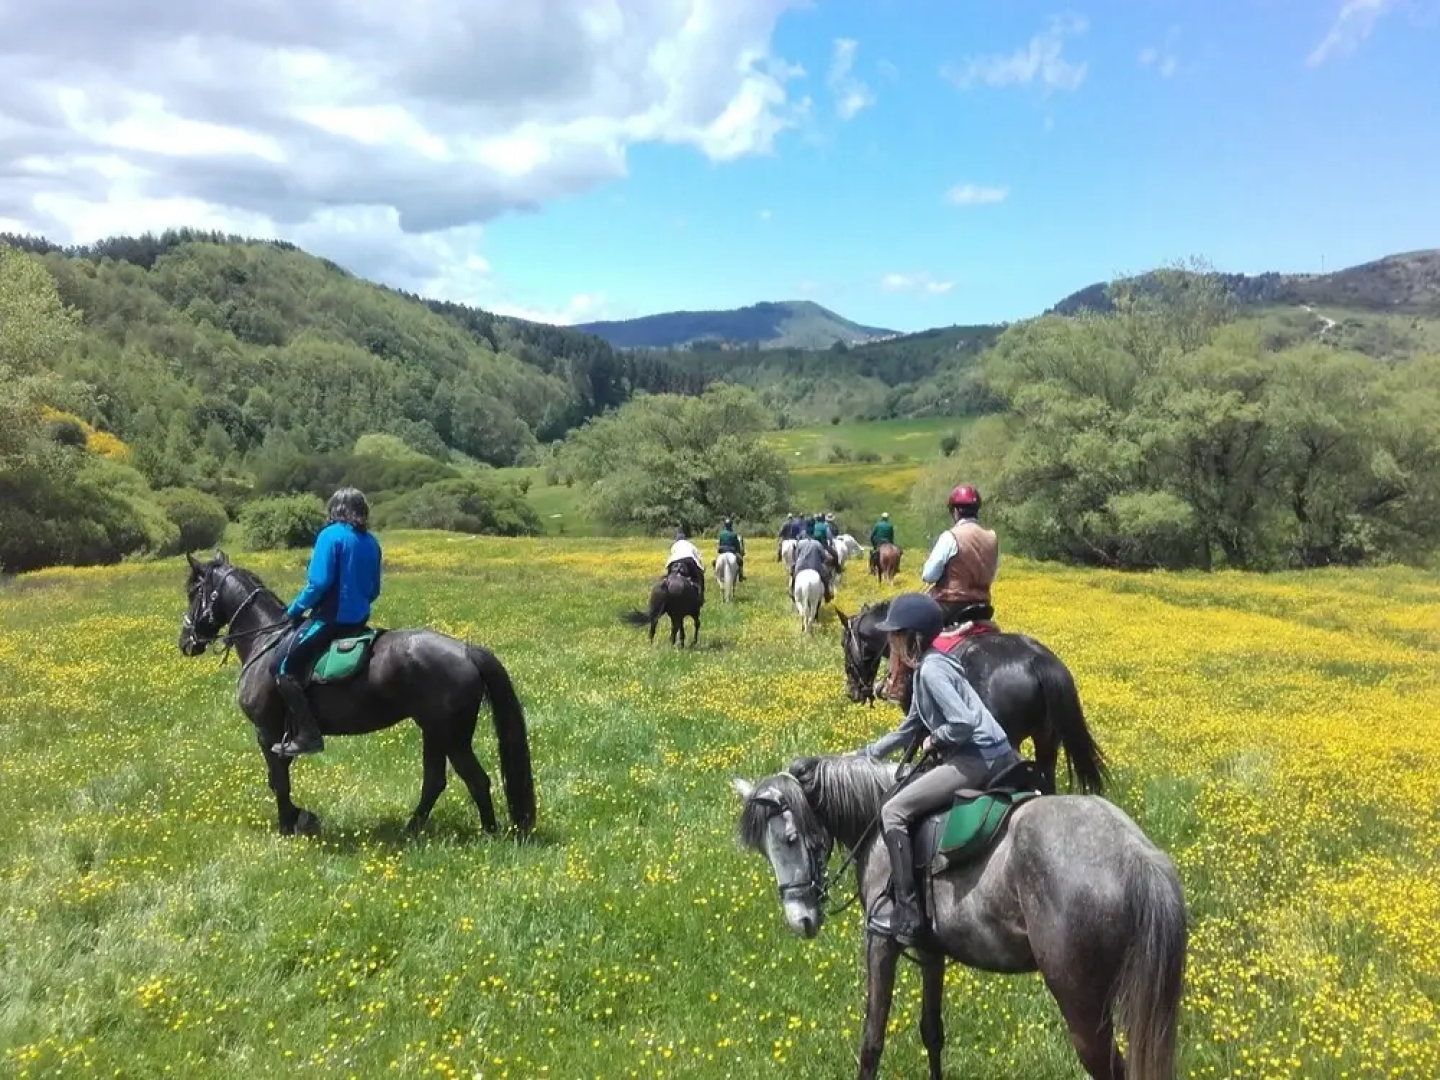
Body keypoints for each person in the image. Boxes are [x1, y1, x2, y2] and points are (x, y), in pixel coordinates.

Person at [855, 592, 1019, 947]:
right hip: (997, 752)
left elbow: (963, 722)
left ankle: (909, 912)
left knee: (893, 811)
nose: (891, 643)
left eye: (896, 636)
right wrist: (866, 754)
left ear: (912, 637)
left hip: (978, 758)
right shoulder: (929, 666)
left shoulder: (930, 672)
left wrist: (937, 739)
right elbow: (909, 728)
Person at [273, 487, 383, 757]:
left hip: (331, 620)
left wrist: (294, 610)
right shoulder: (372, 542)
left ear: (335, 509)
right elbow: (374, 590)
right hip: (359, 620)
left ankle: (308, 734)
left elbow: (319, 583)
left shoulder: (329, 536)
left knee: (284, 667)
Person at [921, 484, 999, 627]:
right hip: (983, 606)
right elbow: (992, 573)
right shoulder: (992, 537)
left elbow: (929, 575)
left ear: (956, 511)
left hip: (950, 606)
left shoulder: (950, 536)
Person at [791, 532, 837, 604]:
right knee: (825, 579)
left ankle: (792, 592)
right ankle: (827, 594)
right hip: (815, 567)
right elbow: (823, 557)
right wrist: (829, 559)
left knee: (794, 577)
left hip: (801, 566)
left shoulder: (800, 543)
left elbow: (796, 556)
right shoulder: (817, 544)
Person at [666, 527, 706, 604]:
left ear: (676, 539)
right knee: (699, 578)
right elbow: (698, 557)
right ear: (685, 539)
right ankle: (700, 597)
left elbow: (670, 556)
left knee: (668, 577)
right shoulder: (690, 545)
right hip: (688, 560)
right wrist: (701, 568)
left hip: (673, 561)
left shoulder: (674, 545)